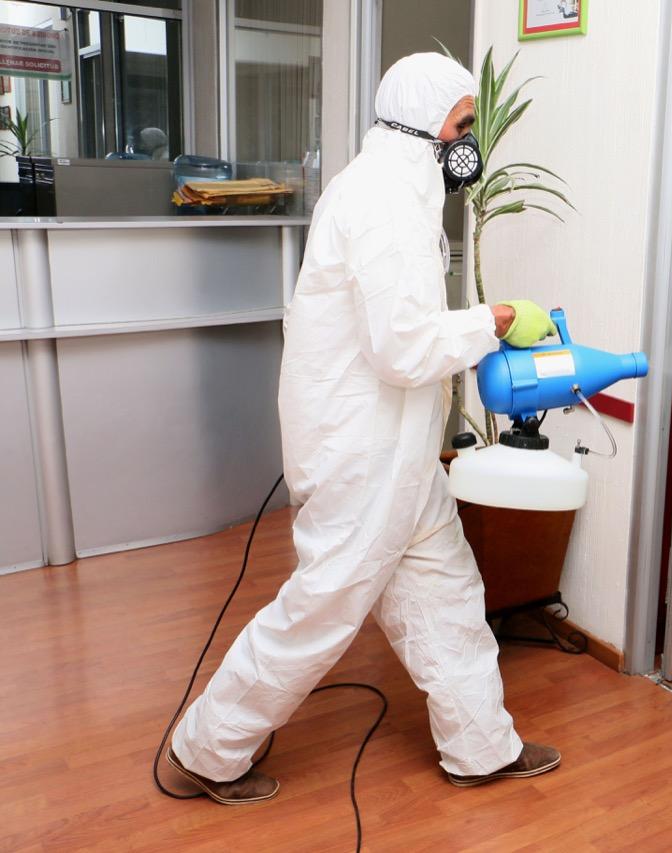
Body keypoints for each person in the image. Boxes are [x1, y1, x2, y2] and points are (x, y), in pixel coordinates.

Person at [166, 53, 561, 805]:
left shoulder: (399, 192)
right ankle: (208, 752)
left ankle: (481, 747)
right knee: (319, 612)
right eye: (462, 124)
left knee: (446, 593)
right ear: (424, 125)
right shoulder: (382, 203)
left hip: (399, 452)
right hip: (361, 455)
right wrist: (497, 318)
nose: (469, 141)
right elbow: (403, 348)